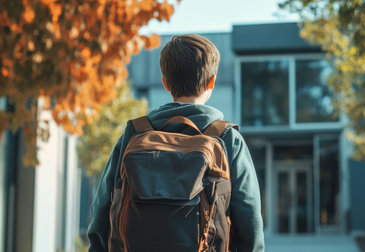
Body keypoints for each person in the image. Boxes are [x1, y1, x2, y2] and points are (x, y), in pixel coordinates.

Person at [87, 34, 265, 252]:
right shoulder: (226, 138)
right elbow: (249, 219)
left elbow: (102, 210)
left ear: (165, 82)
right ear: (212, 81)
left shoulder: (135, 133)